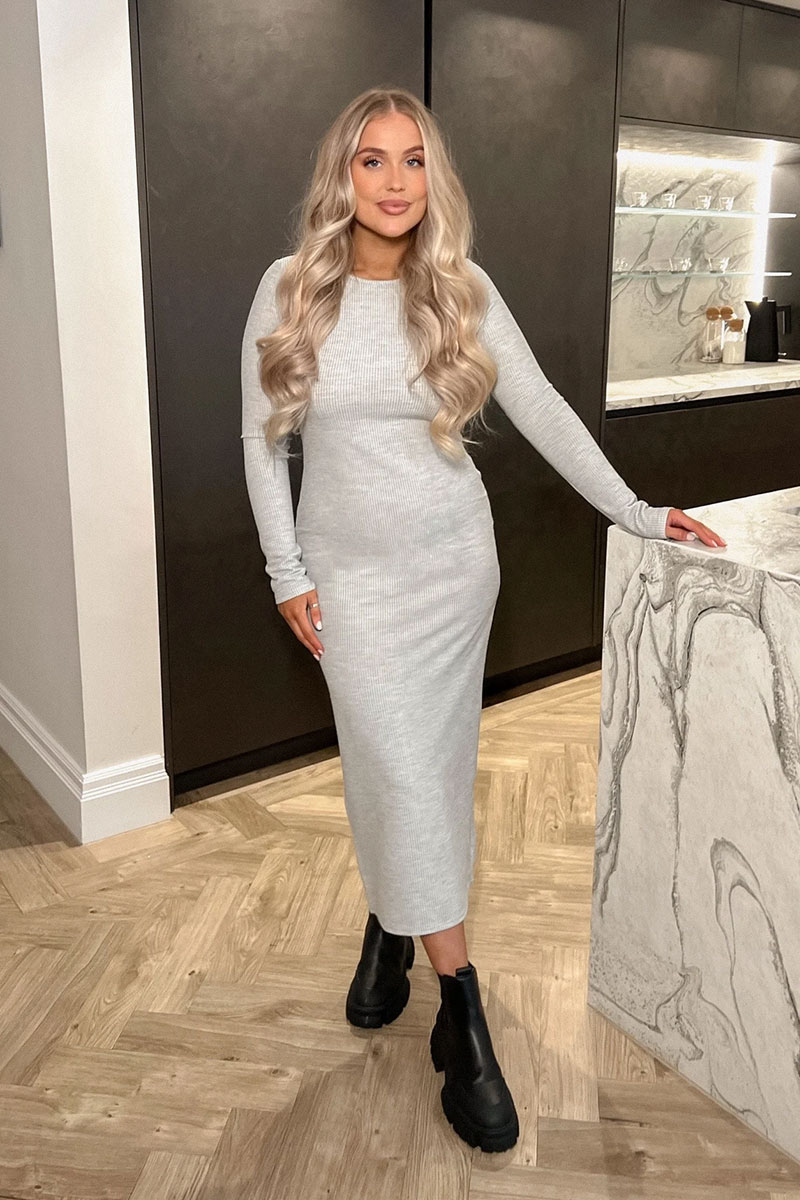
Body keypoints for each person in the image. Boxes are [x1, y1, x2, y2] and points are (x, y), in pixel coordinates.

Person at [240, 86, 727, 1153]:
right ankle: (460, 1007)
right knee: (395, 768)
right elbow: (262, 441)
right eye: (372, 160)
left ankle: (400, 940)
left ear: (434, 177)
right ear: (342, 175)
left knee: (427, 768)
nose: (395, 181)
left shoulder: (460, 287)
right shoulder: (291, 288)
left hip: (454, 573)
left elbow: (541, 405)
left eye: (413, 160)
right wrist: (286, 573)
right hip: (349, 584)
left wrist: (636, 511)